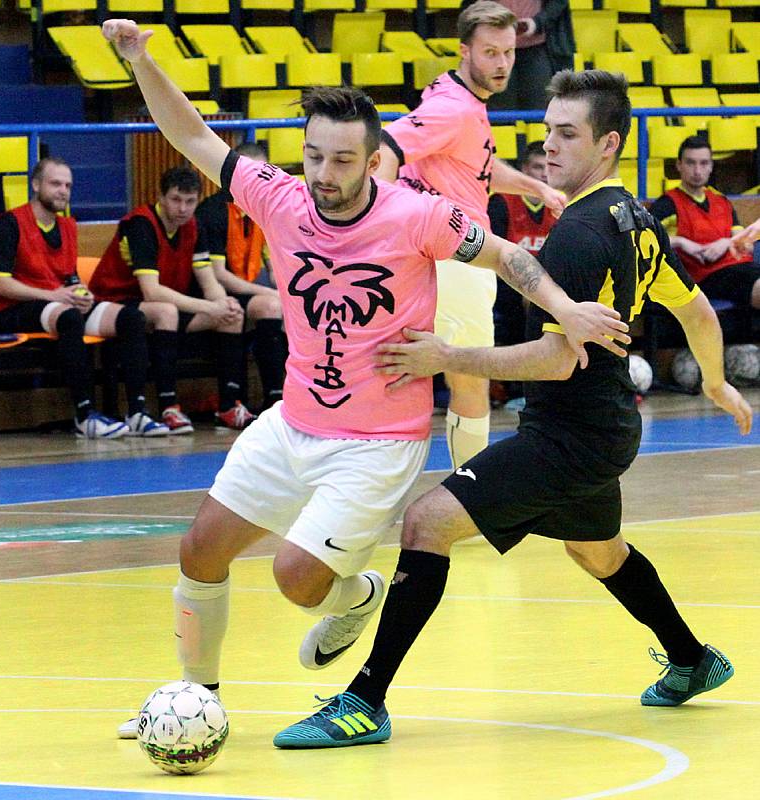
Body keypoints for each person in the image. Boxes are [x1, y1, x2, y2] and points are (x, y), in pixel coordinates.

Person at [102, 20, 629, 740]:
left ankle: (356, 594)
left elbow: (507, 257)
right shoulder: (279, 197)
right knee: (199, 550)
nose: (323, 172)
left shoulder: (415, 215)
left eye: (342, 159)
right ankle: (193, 698)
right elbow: (193, 135)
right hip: (292, 421)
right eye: (313, 155)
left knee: (296, 581)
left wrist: (565, 308)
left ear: (374, 159)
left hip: (375, 442)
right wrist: (140, 61)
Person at [274, 70, 754, 749]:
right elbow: (696, 309)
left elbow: (555, 360)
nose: (548, 146)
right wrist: (712, 381)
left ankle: (364, 700)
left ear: (607, 142)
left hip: (570, 433)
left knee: (426, 522)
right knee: (598, 551)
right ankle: (690, 659)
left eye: (566, 133)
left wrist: (447, 357)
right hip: (605, 424)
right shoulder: (636, 215)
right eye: (546, 130)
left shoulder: (577, 238)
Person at [377, 1, 567, 469]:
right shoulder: (453, 108)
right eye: (490, 53)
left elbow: (473, 168)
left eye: (507, 53)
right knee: (468, 375)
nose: (502, 63)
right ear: (466, 50)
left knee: (401, 369)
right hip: (455, 254)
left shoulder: (453, 95)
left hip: (440, 250)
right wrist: (376, 217)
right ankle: (470, 490)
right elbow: (384, 147)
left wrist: (532, 184)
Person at [0, 156, 168, 439]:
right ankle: (84, 416)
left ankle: (136, 413)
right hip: (15, 308)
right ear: (35, 185)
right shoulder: (9, 224)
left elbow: (68, 276)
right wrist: (53, 295)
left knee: (132, 317)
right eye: (55, 183)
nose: (63, 190)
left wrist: (81, 294)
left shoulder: (68, 226)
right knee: (69, 317)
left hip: (57, 303)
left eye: (68, 185)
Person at [90, 166, 256, 433]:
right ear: (162, 197)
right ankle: (169, 407)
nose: (183, 208)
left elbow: (208, 280)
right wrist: (209, 306)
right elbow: (151, 291)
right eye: (176, 200)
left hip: (168, 304)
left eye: (190, 202)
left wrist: (223, 303)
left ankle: (228, 406)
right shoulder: (141, 224)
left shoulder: (193, 225)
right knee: (166, 311)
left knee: (231, 315)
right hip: (118, 301)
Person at [195, 142, 287, 412]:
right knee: (264, 304)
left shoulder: (265, 209)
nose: (256, 178)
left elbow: (271, 260)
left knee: (276, 307)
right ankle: (230, 402)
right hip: (212, 290)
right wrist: (273, 293)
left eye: (262, 171)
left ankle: (275, 399)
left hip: (250, 290)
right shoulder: (213, 211)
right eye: (249, 170)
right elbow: (219, 276)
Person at [650, 136, 760, 313]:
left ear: (711, 166)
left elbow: (745, 243)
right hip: (705, 276)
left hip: (741, 267)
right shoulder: (668, 204)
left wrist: (726, 243)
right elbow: (644, 240)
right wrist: (679, 241)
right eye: (691, 163)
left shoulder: (721, 201)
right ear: (679, 165)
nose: (697, 170)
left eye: (703, 163)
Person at [488, 140, 556, 404]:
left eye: (547, 167)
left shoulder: (558, 206)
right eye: (537, 167)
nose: (543, 174)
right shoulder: (502, 203)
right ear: (524, 169)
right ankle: (511, 387)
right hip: (506, 286)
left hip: (542, 286)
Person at [463, 0, 575, 111]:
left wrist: (537, 23)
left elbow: (558, 3)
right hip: (494, 49)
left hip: (537, 47)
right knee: (500, 114)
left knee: (539, 112)